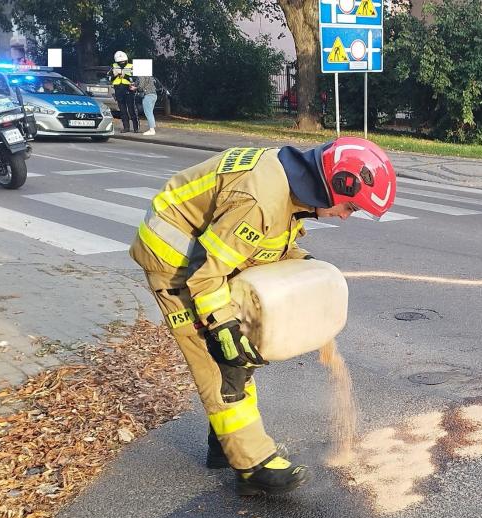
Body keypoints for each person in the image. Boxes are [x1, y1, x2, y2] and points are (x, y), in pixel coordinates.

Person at [128, 138, 397, 497]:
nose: (347, 216)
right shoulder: (260, 199)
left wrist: (304, 269)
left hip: (206, 255)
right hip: (175, 263)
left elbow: (268, 242)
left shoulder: (288, 182)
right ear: (331, 186)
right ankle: (252, 466)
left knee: (242, 347)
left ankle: (224, 445)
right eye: (349, 206)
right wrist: (220, 325)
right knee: (222, 362)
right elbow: (205, 274)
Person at [111, 51, 140, 133]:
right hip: (118, 90)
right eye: (120, 62)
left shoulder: (131, 66)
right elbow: (109, 78)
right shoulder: (114, 67)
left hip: (128, 90)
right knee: (123, 111)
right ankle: (126, 127)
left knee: (132, 110)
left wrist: (125, 75)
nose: (122, 63)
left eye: (123, 61)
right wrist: (114, 75)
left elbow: (135, 78)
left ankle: (136, 128)